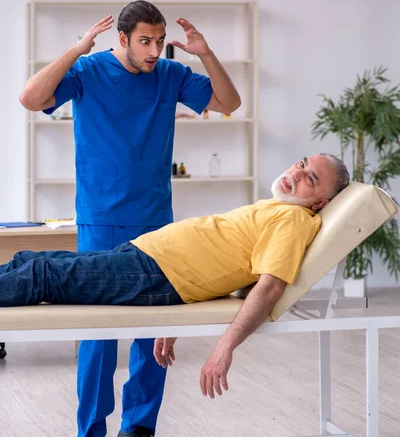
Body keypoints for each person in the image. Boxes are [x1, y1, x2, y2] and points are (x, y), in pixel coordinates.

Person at [19, 0, 241, 437]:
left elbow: (229, 103)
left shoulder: (170, 75)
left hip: (157, 218)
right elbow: (31, 98)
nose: (155, 50)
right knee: (98, 332)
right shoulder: (89, 70)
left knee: (154, 331)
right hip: (101, 216)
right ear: (122, 38)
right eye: (145, 40)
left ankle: (138, 426)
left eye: (160, 41)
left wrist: (205, 54)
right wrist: (76, 49)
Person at [0, 153, 349, 411]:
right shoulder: (279, 207)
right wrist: (178, 315)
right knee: (29, 261)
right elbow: (229, 266)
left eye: (311, 179)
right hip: (147, 257)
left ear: (320, 203)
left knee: (41, 276)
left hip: (156, 273)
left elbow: (269, 287)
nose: (297, 172)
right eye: (302, 163)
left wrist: (223, 348)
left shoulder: (294, 221)